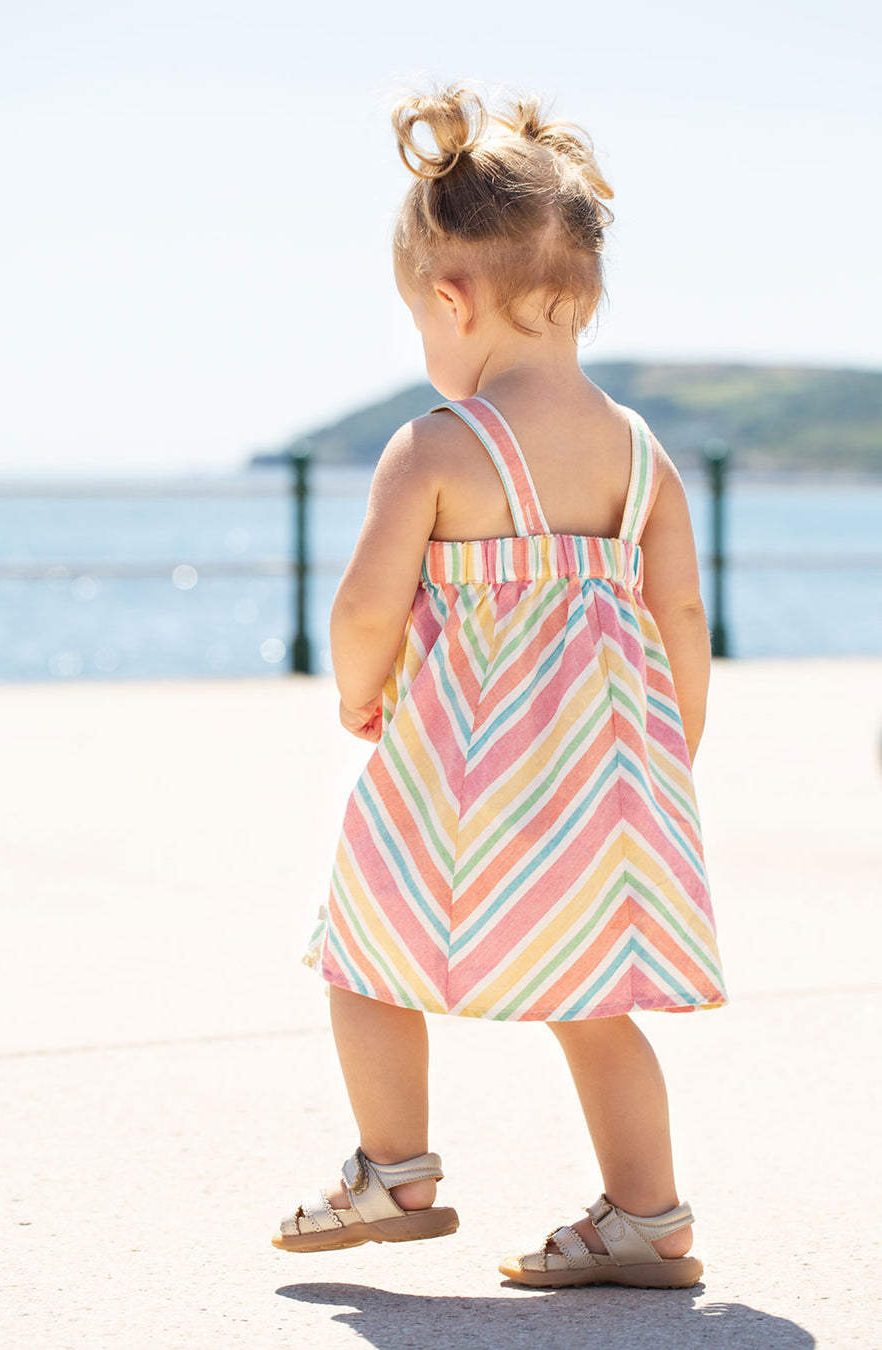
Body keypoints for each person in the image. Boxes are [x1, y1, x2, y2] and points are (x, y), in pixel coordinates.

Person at [274, 81, 727, 1289]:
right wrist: (667, 750)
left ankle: (396, 1172)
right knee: (593, 1000)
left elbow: (368, 605)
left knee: (363, 956)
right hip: (603, 792)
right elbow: (682, 614)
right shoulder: (642, 455)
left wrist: (359, 691)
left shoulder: (438, 446)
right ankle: (649, 1216)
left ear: (450, 298)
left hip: (456, 780)